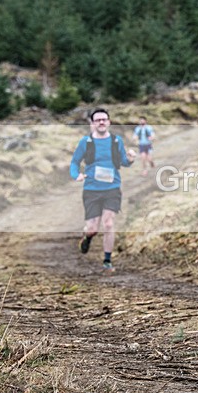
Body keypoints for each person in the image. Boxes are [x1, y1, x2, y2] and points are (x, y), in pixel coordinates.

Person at [70, 108, 135, 271]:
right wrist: (76, 175)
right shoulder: (85, 142)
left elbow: (123, 162)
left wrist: (130, 159)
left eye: (104, 119)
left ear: (109, 122)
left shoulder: (116, 141)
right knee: (92, 229)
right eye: (97, 120)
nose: (101, 122)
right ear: (92, 123)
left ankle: (107, 260)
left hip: (112, 189)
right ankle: (87, 237)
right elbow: (74, 162)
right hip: (91, 190)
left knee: (108, 223)